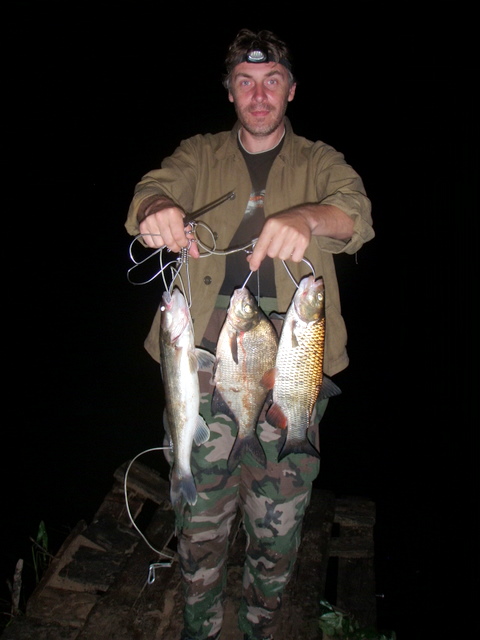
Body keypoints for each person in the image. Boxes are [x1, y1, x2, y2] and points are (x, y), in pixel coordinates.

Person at [125, 28, 374, 640]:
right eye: (245, 82)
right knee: (199, 516)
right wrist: (157, 210)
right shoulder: (199, 154)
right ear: (230, 91)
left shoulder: (319, 161)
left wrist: (306, 217)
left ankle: (261, 625)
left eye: (271, 82)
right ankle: (201, 624)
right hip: (204, 361)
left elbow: (356, 213)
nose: (259, 95)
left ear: (291, 90)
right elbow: (152, 190)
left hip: (294, 363)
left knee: (278, 520)